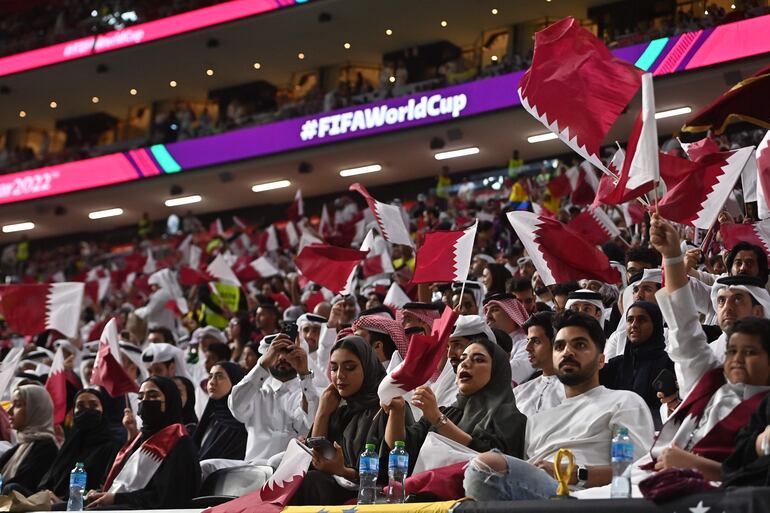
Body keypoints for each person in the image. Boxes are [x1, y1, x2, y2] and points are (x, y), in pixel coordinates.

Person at [463, 310, 654, 500]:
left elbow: (637, 471)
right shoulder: (536, 419)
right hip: (530, 497)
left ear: (601, 360)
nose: (567, 352)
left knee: (487, 467)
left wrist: (573, 473)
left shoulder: (624, 402)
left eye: (580, 345)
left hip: (585, 498)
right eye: (559, 346)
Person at [384, 336, 526, 473]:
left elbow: (491, 460)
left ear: (497, 371)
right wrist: (397, 411)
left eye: (478, 359)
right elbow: (401, 447)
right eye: (462, 359)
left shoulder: (509, 416)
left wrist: (438, 420)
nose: (464, 363)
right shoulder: (447, 412)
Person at [290, 336, 392, 505]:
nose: (339, 376)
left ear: (368, 368)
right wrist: (322, 412)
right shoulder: (339, 411)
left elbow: (390, 471)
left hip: (372, 496)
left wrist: (343, 471)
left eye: (350, 367)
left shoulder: (388, 407)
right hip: (332, 489)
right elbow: (315, 462)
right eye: (334, 368)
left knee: (313, 482)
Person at [86, 377, 200, 509]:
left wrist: (116, 498)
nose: (145, 401)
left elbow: (169, 497)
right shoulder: (139, 440)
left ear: (170, 401)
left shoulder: (180, 443)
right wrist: (100, 494)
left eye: (153, 396)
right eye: (140, 397)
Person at [227, 334, 318, 467]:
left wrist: (304, 374)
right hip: (252, 470)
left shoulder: (309, 392)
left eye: (289, 351)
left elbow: (311, 421)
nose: (282, 358)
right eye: (276, 353)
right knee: (207, 466)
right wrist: (261, 365)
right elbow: (236, 406)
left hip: (290, 471)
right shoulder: (255, 392)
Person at [600, 301, 674, 429]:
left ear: (655, 324)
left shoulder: (669, 364)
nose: (634, 325)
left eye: (642, 320)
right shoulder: (616, 365)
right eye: (630, 320)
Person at [39, 389, 122, 502]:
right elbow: (48, 481)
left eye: (93, 405)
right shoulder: (69, 445)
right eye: (81, 406)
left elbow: (104, 489)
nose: (87, 410)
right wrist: (46, 494)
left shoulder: (113, 447)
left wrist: (62, 502)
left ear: (103, 410)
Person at [0, 385, 58, 495]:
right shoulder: (21, 446)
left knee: (12, 489)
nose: (10, 411)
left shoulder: (46, 448)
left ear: (35, 409)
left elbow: (22, 485)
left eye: (18, 405)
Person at [195, 362, 247, 468]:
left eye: (220, 376)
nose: (212, 382)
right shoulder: (213, 416)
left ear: (235, 382)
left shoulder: (240, 423)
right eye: (210, 376)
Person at [514, 312, 564, 416]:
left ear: (556, 343)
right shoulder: (519, 392)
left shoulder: (574, 391)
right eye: (528, 341)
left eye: (536, 341)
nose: (527, 348)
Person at [482, 293, 532, 386]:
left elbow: (514, 372)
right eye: (486, 311)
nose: (487, 316)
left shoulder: (527, 343)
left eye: (494, 310)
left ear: (512, 314)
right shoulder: (486, 344)